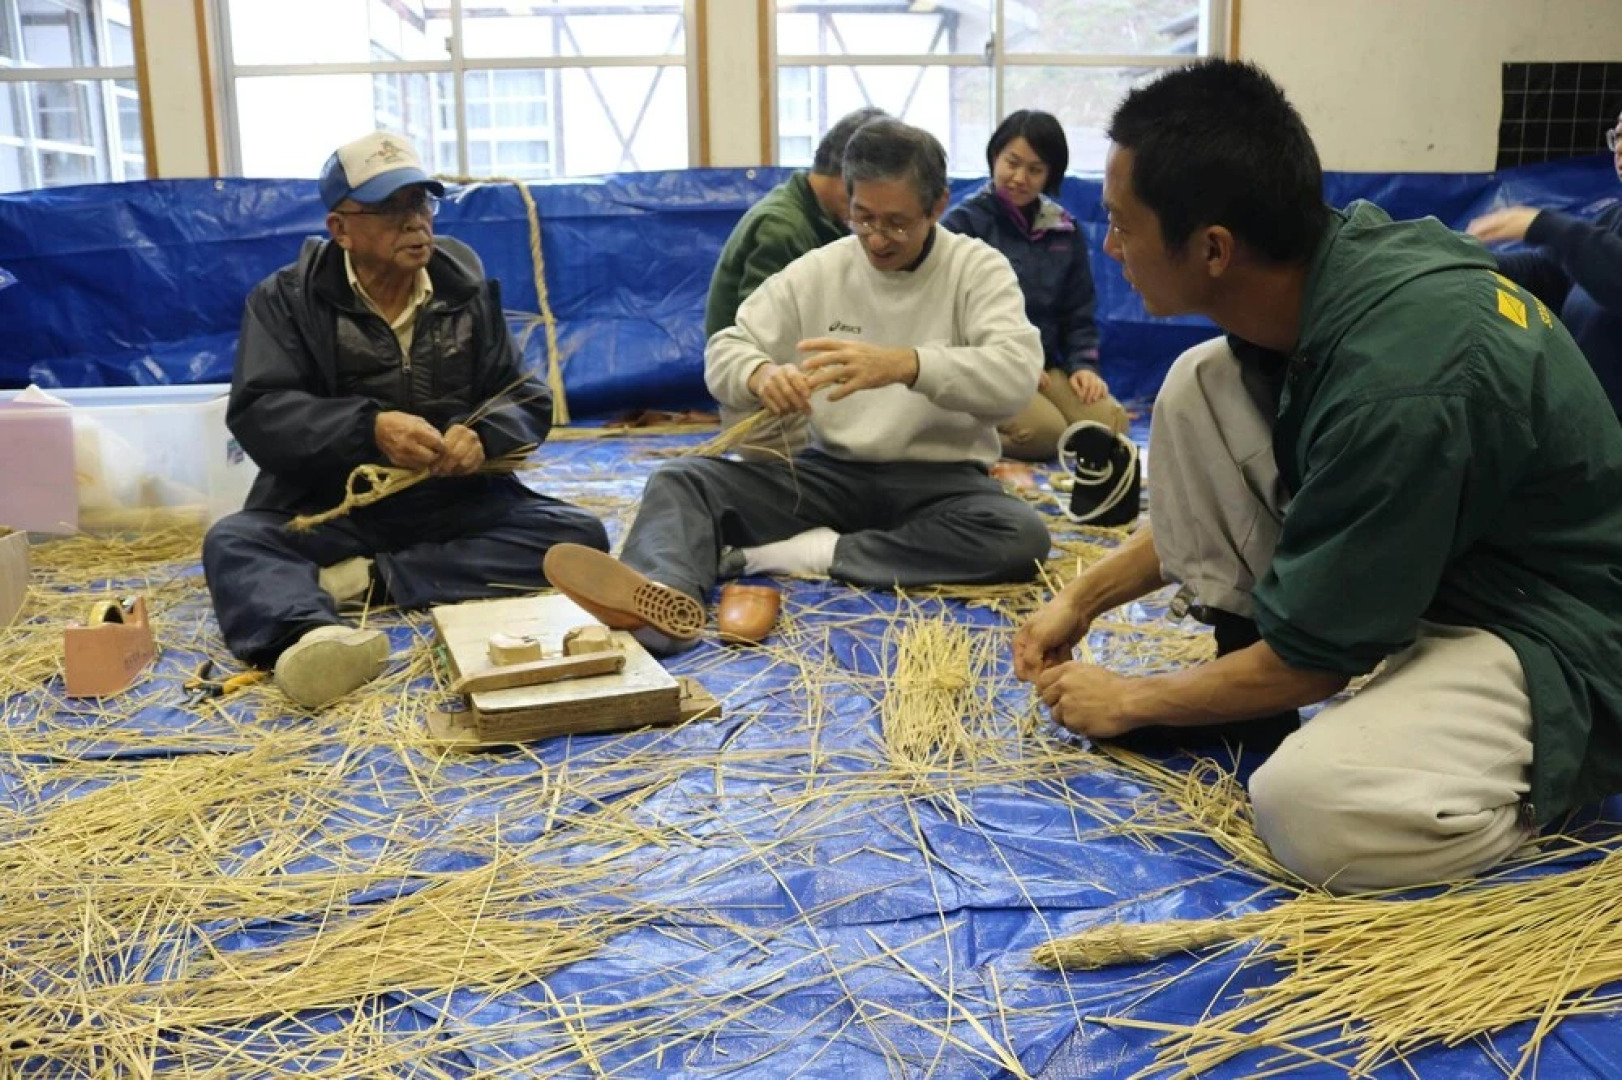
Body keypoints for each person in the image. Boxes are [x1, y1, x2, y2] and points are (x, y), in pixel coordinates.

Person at [1013, 60, 1622, 893]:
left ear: (1214, 249)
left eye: (1121, 225)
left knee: (1307, 809)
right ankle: (1248, 691)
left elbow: (1318, 661)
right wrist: (1078, 599)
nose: (1109, 245)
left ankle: (1522, 788)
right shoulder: (1325, 274)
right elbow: (1255, 501)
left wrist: (1133, 698)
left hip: (1551, 627)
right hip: (1448, 564)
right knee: (1200, 383)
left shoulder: (1400, 384)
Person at [546, 118, 1052, 651]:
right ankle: (661, 605)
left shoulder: (977, 270)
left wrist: (909, 365)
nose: (878, 239)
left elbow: (1016, 377)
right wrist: (759, 374)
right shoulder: (819, 270)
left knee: (1021, 537)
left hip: (940, 483)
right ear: (845, 202)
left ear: (938, 205)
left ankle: (805, 556)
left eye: (898, 223)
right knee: (682, 481)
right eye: (864, 218)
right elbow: (726, 349)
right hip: (828, 476)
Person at [203, 131, 608, 709]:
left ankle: (366, 581)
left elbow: (522, 394)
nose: (416, 223)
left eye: (421, 203)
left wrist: (483, 436)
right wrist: (368, 429)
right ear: (340, 229)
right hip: (332, 505)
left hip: (454, 505)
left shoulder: (462, 287)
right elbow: (261, 409)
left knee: (579, 539)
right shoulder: (286, 301)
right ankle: (314, 639)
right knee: (234, 541)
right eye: (391, 208)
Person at [942, 109, 1128, 461]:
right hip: (989, 365)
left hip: (1047, 366)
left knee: (1109, 423)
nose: (1019, 177)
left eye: (1035, 169)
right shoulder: (962, 225)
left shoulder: (1062, 228)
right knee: (1043, 435)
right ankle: (962, 433)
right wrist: (1015, 360)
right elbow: (953, 316)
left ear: (1050, 175)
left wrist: (1084, 367)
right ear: (994, 156)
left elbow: (1079, 311)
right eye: (1011, 162)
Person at [705, 106, 887, 461]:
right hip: (768, 400)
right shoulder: (783, 228)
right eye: (868, 202)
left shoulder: (824, 218)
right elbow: (764, 343)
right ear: (848, 178)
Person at [1466, 109, 1622, 419]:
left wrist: (1542, 225)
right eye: (1618, 135)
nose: (1620, 146)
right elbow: (1553, 275)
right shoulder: (1613, 219)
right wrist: (1470, 260)